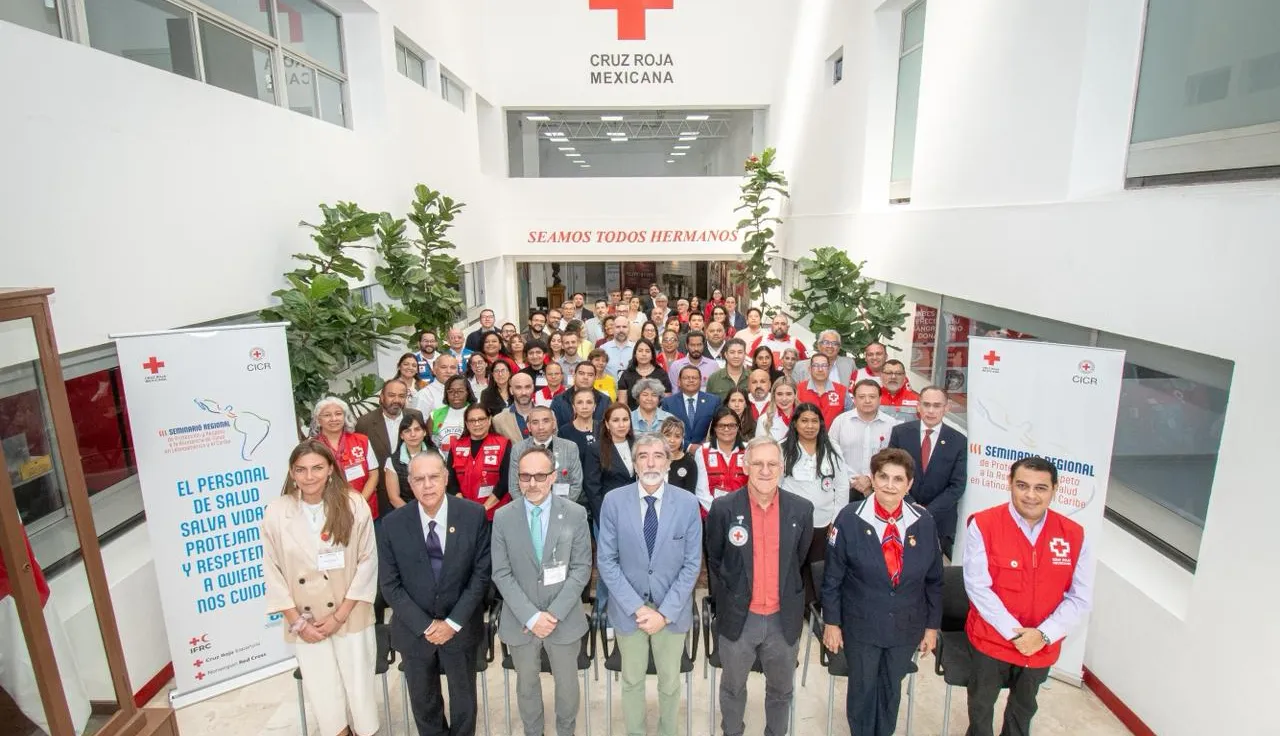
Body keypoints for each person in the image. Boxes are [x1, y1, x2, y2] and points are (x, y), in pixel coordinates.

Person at [963, 456, 1094, 736]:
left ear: (1054, 489)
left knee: (1022, 712)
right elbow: (977, 587)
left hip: (1040, 646)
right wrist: (1015, 634)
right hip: (992, 640)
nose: (1030, 495)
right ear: (1009, 484)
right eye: (1022, 485)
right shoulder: (984, 524)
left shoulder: (1073, 535)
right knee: (981, 710)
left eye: (1041, 488)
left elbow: (1079, 598)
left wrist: (1043, 635)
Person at [822, 448, 943, 736]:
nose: (890, 485)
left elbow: (935, 581)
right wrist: (832, 622)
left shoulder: (923, 522)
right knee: (863, 691)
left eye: (898, 479)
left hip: (905, 626)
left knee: (891, 691)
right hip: (861, 624)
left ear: (909, 484)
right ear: (873, 479)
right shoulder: (849, 518)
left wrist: (931, 628)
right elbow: (832, 578)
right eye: (883, 477)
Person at [264, 440, 379, 736]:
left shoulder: (354, 504)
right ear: (291, 473)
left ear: (330, 469)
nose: (309, 476)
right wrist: (298, 623)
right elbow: (273, 573)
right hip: (306, 623)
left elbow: (367, 563)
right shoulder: (277, 512)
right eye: (301, 470)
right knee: (324, 695)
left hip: (350, 615)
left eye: (317, 468)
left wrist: (339, 616)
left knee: (360, 690)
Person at [596, 432, 703, 736]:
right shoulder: (614, 501)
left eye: (658, 455)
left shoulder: (687, 503)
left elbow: (692, 564)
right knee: (632, 681)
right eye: (643, 456)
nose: (651, 462)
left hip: (672, 610)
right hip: (630, 610)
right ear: (634, 462)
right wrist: (637, 608)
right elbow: (607, 561)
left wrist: (664, 613)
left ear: (669, 461)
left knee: (670, 683)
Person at [706, 437, 814, 736]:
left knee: (781, 691)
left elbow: (799, 560)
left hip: (783, 619)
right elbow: (715, 559)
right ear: (745, 466)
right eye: (757, 463)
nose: (765, 470)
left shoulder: (801, 510)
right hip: (739, 618)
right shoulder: (724, 508)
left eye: (772, 464)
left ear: (782, 467)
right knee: (732, 688)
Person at [380, 452, 491, 736]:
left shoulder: (472, 515)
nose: (427, 485)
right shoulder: (393, 524)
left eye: (433, 477)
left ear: (445, 478)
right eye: (419, 479)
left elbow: (480, 576)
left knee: (464, 703)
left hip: (460, 627)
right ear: (410, 484)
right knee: (424, 704)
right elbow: (390, 584)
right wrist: (427, 626)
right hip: (415, 632)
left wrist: (452, 624)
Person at [490, 446, 593, 736]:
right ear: (517, 478)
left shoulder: (575, 514)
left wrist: (553, 614)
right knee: (527, 686)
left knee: (567, 686)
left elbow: (581, 568)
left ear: (552, 477)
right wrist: (532, 617)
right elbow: (501, 572)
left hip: (563, 617)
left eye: (539, 475)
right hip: (521, 621)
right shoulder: (503, 517)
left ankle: (565, 731)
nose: (532, 483)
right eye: (525, 476)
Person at [779, 403, 852, 601]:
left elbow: (842, 487)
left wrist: (836, 520)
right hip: (792, 521)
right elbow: (776, 487)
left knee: (818, 566)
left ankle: (812, 607)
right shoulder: (782, 449)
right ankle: (793, 604)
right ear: (795, 424)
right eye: (804, 421)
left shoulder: (832, 448)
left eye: (814, 421)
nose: (809, 426)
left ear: (821, 423)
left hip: (824, 522)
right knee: (793, 565)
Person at [888, 385, 967, 557]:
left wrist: (928, 511)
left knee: (932, 575)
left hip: (939, 521)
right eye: (926, 404)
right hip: (900, 514)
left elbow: (957, 485)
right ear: (918, 406)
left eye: (937, 405)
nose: (931, 411)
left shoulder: (959, 441)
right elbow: (890, 474)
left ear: (947, 408)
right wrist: (910, 504)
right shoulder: (900, 433)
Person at [355, 380, 422, 520]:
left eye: (401, 396)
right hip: (381, 497)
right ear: (381, 397)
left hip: (414, 494)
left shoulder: (416, 416)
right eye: (391, 395)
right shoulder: (364, 423)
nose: (396, 400)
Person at [830, 379, 899, 498]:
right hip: (843, 488)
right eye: (862, 397)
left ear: (880, 399)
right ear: (854, 399)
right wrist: (854, 480)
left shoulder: (892, 425)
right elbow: (831, 454)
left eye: (872, 396)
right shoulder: (840, 422)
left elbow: (895, 458)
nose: (867, 401)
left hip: (881, 489)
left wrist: (869, 478)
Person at [312, 396, 379, 520]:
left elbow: (373, 474)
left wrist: (359, 503)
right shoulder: (311, 447)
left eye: (338, 414)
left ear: (345, 417)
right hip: (329, 513)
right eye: (327, 415)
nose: (333, 419)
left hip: (363, 509)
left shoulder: (361, 440)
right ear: (318, 420)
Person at [446, 404, 513, 522]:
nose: (477, 424)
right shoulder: (456, 446)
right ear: (466, 424)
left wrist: (483, 509)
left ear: (489, 420)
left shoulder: (503, 444)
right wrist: (465, 508)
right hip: (464, 514)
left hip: (495, 515)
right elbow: (451, 482)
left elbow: (505, 482)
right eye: (472, 420)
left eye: (481, 419)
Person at [507, 406, 585, 505]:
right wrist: (533, 509)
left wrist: (558, 509)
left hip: (562, 508)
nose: (541, 427)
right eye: (535, 422)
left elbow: (576, 485)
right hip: (529, 509)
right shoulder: (518, 450)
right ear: (529, 426)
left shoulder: (570, 447)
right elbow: (514, 487)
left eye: (546, 421)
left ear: (554, 424)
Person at [694, 405, 748, 517]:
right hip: (712, 514)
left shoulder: (749, 450)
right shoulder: (703, 451)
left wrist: (740, 512)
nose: (726, 429)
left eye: (731, 425)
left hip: (743, 513)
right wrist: (719, 512)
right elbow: (701, 491)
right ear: (714, 428)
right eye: (721, 425)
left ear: (738, 427)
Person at [660, 364, 721, 445]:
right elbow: (666, 432)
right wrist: (688, 447)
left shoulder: (714, 401)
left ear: (700, 381)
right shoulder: (668, 403)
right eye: (686, 378)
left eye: (694, 378)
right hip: (677, 450)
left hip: (705, 450)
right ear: (679, 382)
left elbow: (718, 428)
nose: (691, 380)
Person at [385, 413, 435, 510]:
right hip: (408, 513)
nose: (413, 434)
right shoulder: (392, 461)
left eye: (417, 429)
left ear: (424, 432)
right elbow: (394, 498)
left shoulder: (437, 455)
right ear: (402, 435)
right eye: (407, 431)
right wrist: (415, 515)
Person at [796, 353, 851, 428]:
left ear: (829, 368)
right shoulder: (798, 389)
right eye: (816, 365)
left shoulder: (842, 390)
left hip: (833, 438)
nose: (820, 369)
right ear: (810, 369)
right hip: (806, 437)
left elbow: (850, 417)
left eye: (824, 366)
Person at [550, 361, 610, 427]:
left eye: (590, 375)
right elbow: (553, 427)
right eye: (581, 373)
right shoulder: (559, 400)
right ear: (574, 375)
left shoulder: (605, 401)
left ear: (595, 378)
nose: (585, 377)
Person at [617, 338, 671, 405]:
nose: (644, 354)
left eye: (647, 351)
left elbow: (667, 402)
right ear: (635, 354)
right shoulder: (627, 375)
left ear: (652, 355)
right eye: (640, 351)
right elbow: (622, 404)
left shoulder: (661, 374)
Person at [556, 386, 600, 466]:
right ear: (574, 407)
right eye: (580, 402)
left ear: (594, 406)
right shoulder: (564, 432)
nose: (584, 407)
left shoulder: (604, 428)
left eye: (589, 402)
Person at [427, 375, 474, 448]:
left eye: (460, 391)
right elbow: (429, 444)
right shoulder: (435, 415)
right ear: (446, 393)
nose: (455, 395)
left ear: (468, 392)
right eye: (451, 391)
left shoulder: (476, 412)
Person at [494, 372, 536, 442]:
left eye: (527, 387)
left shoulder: (548, 414)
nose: (524, 393)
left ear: (533, 388)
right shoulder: (498, 420)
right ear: (511, 390)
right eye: (518, 388)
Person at [756, 376, 798, 441]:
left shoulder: (804, 417)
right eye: (779, 394)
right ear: (773, 396)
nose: (784, 399)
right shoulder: (764, 420)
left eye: (788, 394)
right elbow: (759, 448)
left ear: (795, 395)